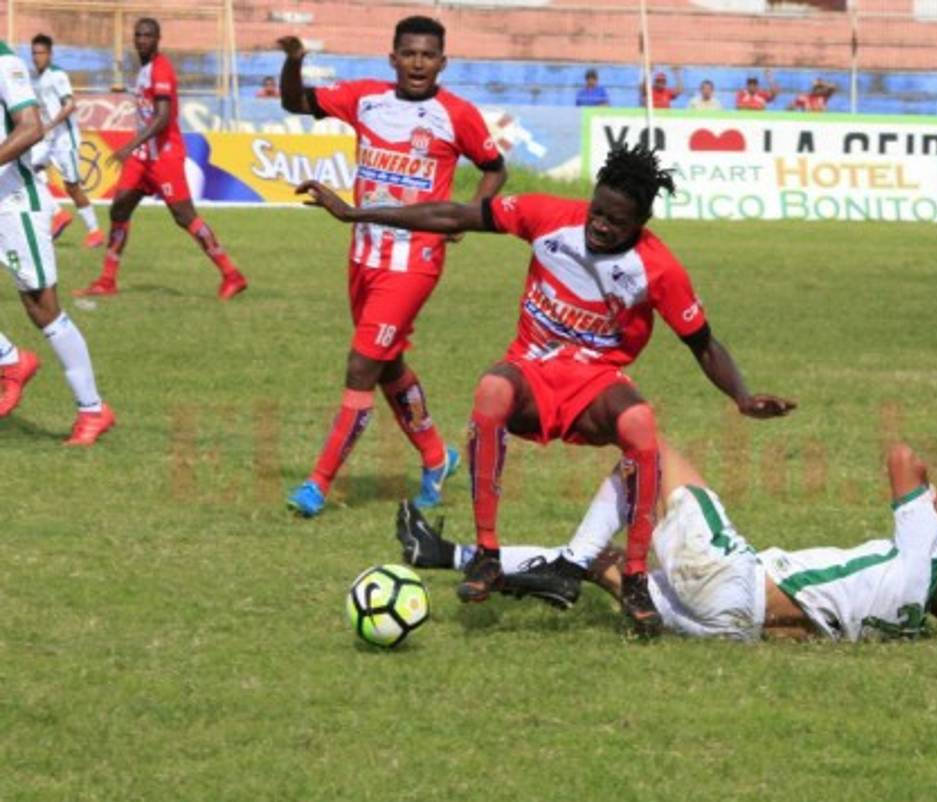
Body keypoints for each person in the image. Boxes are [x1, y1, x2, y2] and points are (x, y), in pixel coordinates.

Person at [296, 143, 794, 632]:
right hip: (531, 371)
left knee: (641, 423)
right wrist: (356, 212)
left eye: (616, 222)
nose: (600, 225)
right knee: (492, 390)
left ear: (640, 223)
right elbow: (455, 215)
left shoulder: (658, 267)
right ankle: (487, 554)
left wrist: (742, 397)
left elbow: (704, 343)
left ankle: (636, 578)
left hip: (595, 382)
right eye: (597, 211)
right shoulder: (548, 216)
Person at [397, 441, 937, 641]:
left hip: (729, 578)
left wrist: (928, 495)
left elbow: (899, 455)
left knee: (644, 451)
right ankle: (443, 556)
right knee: (603, 562)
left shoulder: (918, 556)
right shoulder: (909, 623)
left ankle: (563, 570)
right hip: (729, 626)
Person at [277, 17, 506, 516]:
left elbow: (494, 167)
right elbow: (295, 102)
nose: (418, 63)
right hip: (363, 254)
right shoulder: (366, 99)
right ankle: (436, 455)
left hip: (414, 262)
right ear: (393, 58)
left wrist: (466, 215)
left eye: (428, 55)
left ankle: (317, 484)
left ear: (442, 63)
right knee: (387, 365)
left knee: (362, 365)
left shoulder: (457, 115)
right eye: (409, 54)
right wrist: (294, 62)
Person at [74, 18, 247, 301]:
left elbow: (164, 117)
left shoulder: (161, 69)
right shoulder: (143, 69)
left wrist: (130, 145)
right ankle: (107, 280)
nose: (142, 39)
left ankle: (231, 274)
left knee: (184, 216)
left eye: (148, 35)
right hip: (143, 157)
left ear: (158, 39)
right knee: (119, 209)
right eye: (138, 34)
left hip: (163, 156)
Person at [0, 40, 114, 443]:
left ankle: (93, 409)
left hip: (12, 203)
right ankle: (11, 360)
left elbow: (30, 127)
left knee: (42, 307)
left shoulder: (5, 63)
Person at [29, 34, 104, 247]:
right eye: (33, 53)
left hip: (65, 140)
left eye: (40, 53)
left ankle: (95, 231)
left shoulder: (57, 75)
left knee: (71, 187)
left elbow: (70, 105)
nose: (36, 57)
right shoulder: (35, 78)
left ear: (50, 54)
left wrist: (50, 125)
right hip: (47, 140)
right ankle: (58, 213)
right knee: (28, 170)